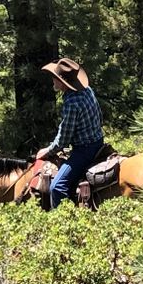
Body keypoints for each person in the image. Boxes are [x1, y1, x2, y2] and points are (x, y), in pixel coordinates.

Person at [38, 57, 103, 208]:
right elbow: (100, 116)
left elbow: (63, 139)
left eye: (54, 77)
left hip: (84, 151)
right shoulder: (87, 90)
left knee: (56, 188)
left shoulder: (71, 103)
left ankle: (63, 221)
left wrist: (47, 151)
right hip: (98, 142)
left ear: (61, 81)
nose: (52, 80)